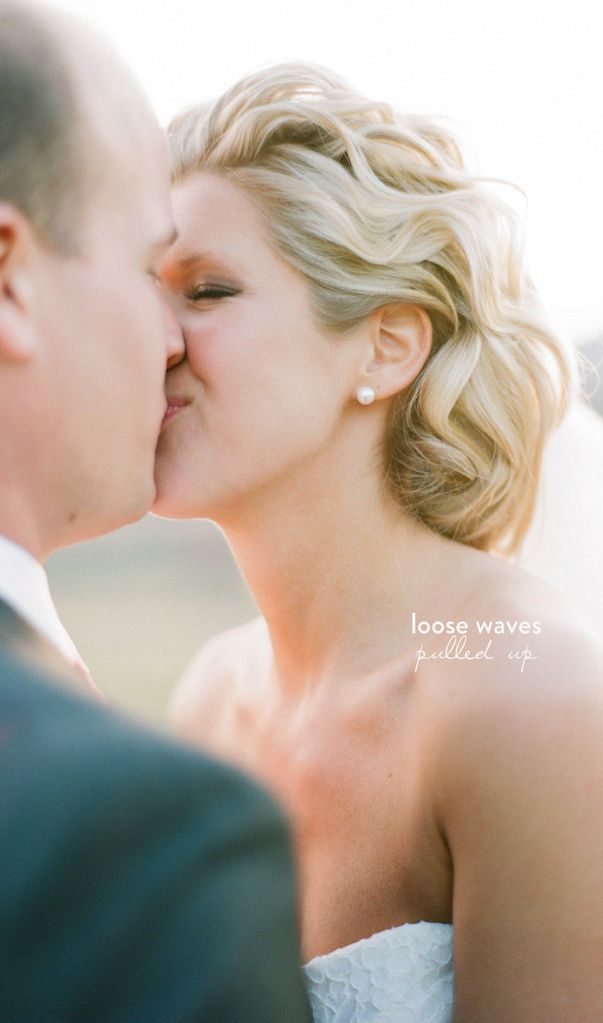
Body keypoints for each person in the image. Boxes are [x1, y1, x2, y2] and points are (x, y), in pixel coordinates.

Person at [159, 64, 603, 1021]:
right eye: (149, 295)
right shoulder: (210, 703)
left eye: (208, 290)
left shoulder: (523, 690)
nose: (157, 340)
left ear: (388, 346)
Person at [0, 6, 312, 1020]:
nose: (172, 344)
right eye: (151, 270)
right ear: (9, 280)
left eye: (209, 292)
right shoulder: (140, 832)